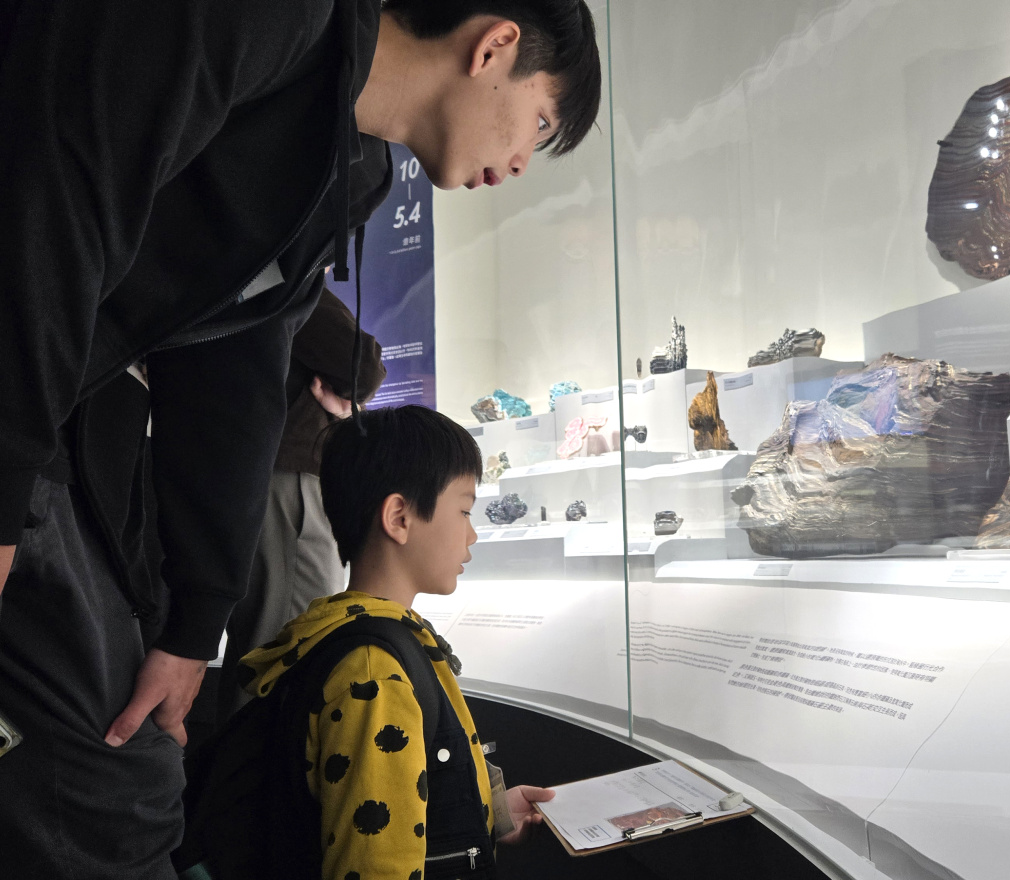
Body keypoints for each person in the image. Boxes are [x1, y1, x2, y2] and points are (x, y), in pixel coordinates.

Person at [0, 0, 601, 876]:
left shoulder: (347, 172)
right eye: (539, 123)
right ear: (494, 46)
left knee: (132, 781)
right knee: (106, 800)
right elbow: (52, 190)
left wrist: (194, 626)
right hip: (32, 433)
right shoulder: (266, 20)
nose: (518, 163)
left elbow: (232, 368)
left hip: (67, 441)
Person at [230, 405, 552, 877]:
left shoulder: (369, 640)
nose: (472, 534)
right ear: (399, 517)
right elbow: (375, 864)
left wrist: (490, 811)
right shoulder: (372, 673)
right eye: (464, 511)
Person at [217, 286, 388, 722]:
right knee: (292, 645)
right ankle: (259, 766)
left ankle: (240, 762)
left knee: (264, 641)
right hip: (287, 477)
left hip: (249, 470)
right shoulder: (286, 267)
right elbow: (362, 366)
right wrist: (352, 399)